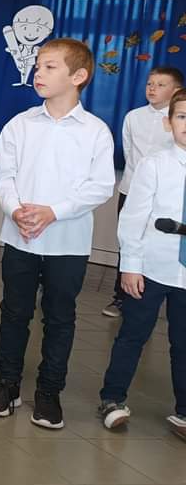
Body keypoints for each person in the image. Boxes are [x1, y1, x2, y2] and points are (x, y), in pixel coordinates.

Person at [0, 38, 115, 430]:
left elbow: (101, 186)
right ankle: (7, 384)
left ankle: (49, 393)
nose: (39, 73)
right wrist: (15, 209)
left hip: (68, 242)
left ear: (79, 76)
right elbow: (4, 175)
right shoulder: (20, 124)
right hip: (19, 236)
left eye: (50, 67)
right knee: (14, 312)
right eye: (38, 66)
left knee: (59, 318)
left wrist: (55, 212)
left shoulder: (96, 131)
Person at [97, 87, 186, 439]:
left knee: (183, 343)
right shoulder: (154, 164)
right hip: (151, 267)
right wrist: (130, 265)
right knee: (133, 335)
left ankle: (184, 411)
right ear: (169, 122)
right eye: (182, 116)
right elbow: (133, 217)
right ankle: (112, 399)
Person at [104, 66, 183, 317]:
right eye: (150, 84)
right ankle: (122, 297)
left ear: (176, 90)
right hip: (132, 189)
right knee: (128, 240)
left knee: (161, 241)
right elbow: (129, 151)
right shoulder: (133, 116)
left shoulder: (179, 120)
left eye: (160, 85)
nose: (152, 89)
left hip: (167, 196)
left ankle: (164, 294)